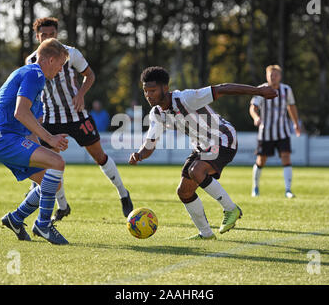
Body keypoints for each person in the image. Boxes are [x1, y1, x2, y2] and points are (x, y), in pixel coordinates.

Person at [129, 66, 277, 240]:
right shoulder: (156, 114)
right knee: (184, 191)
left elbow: (223, 88)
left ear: (166, 88)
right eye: (146, 91)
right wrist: (139, 155)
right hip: (201, 146)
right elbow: (150, 145)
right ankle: (205, 233)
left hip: (222, 137)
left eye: (153, 90)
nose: (149, 95)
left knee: (196, 171)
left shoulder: (185, 98)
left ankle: (231, 209)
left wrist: (258, 91)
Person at [25, 17, 133, 220]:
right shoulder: (31, 60)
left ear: (57, 34)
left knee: (99, 156)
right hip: (51, 118)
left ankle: (123, 194)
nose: (48, 38)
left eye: (52, 34)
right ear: (37, 36)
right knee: (49, 163)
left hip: (77, 115)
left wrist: (81, 94)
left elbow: (90, 75)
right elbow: (34, 92)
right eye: (44, 35)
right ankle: (62, 206)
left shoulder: (70, 53)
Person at [0, 38, 70, 245]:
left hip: (6, 139)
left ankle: (15, 219)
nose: (60, 70)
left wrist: (44, 151)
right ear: (50, 60)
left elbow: (31, 129)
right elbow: (20, 113)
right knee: (58, 163)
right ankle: (43, 225)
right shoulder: (34, 74)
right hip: (3, 137)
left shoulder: (36, 82)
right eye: (60, 65)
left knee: (53, 181)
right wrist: (51, 139)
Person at [249, 65, 301, 198]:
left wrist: (296, 123)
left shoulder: (286, 89)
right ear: (267, 76)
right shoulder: (262, 90)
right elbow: (253, 107)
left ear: (280, 76)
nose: (273, 77)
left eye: (276, 75)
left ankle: (288, 190)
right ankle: (255, 187)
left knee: (286, 156)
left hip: (282, 131)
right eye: (271, 75)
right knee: (261, 160)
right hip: (265, 131)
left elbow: (291, 106)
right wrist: (256, 117)